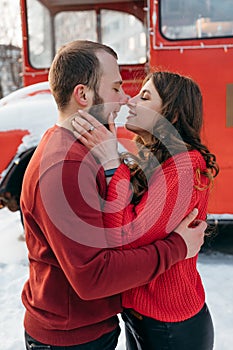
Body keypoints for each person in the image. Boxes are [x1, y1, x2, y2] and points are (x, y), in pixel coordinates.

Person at [21, 40, 207, 350]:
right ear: (83, 95)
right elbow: (94, 275)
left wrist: (111, 164)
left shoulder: (86, 150)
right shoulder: (65, 166)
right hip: (71, 339)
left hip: (95, 327)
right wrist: (177, 247)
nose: (125, 99)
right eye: (117, 88)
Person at [72, 70, 219, 350]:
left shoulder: (184, 167)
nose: (130, 100)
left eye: (145, 96)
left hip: (171, 326)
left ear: (171, 116)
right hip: (142, 315)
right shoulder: (152, 160)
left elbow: (125, 237)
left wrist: (113, 165)